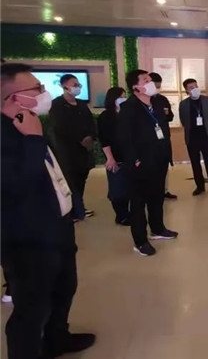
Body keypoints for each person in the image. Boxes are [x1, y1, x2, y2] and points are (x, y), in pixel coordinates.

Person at [1, 63, 95, 358]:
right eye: (37, 88)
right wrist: (32, 140)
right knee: (32, 308)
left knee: (64, 287)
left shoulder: (30, 121)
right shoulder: (10, 133)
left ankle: (57, 339)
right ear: (14, 97)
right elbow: (15, 184)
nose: (44, 92)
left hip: (58, 225)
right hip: (27, 238)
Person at [118, 70, 178, 257]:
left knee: (157, 196)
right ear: (136, 87)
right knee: (138, 202)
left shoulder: (157, 103)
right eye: (146, 80)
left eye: (150, 79)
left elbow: (163, 128)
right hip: (141, 162)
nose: (151, 82)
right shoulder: (129, 107)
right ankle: (140, 241)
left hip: (159, 158)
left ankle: (158, 228)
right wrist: (134, 159)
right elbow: (124, 138)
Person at [49, 74, 96, 222]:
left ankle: (79, 206)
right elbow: (60, 127)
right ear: (65, 87)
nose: (78, 87)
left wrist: (90, 136)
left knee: (81, 177)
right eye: (74, 84)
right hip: (68, 150)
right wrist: (79, 139)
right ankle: (74, 210)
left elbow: (91, 122)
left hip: (84, 150)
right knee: (71, 179)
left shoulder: (81, 104)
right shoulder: (56, 105)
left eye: (78, 84)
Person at [97, 87, 130, 225]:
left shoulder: (127, 114)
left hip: (129, 156)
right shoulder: (105, 117)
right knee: (117, 190)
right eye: (121, 96)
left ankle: (127, 213)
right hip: (115, 156)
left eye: (125, 96)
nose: (124, 98)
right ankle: (121, 215)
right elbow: (104, 139)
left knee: (128, 188)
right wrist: (110, 158)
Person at [149, 72, 177, 200]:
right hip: (150, 139)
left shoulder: (162, 99)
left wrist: (167, 113)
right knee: (152, 166)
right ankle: (153, 192)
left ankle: (164, 190)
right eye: (155, 86)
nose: (157, 89)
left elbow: (170, 117)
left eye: (159, 86)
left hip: (163, 137)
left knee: (164, 163)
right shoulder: (144, 101)